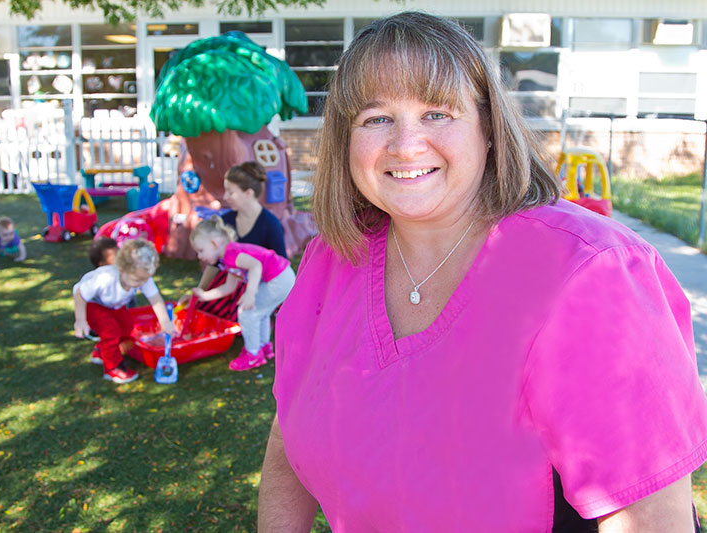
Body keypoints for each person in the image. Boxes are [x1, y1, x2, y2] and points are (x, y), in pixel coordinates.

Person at [258, 12, 707, 532]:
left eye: (437, 113)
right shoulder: (331, 261)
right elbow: (287, 439)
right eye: (376, 118)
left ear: (489, 128)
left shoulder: (589, 272)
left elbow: (651, 520)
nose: (405, 144)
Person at [188, 216, 294, 371]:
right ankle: (264, 347)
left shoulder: (231, 254)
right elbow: (229, 287)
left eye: (201, 250)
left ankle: (253, 355)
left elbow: (256, 266)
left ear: (214, 243)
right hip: (284, 276)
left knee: (246, 313)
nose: (199, 256)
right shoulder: (228, 258)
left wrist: (250, 293)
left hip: (278, 278)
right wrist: (205, 296)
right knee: (261, 312)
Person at [185, 161, 288, 322]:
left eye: (230, 192)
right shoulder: (225, 221)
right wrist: (199, 291)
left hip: (259, 283)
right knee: (206, 313)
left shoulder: (270, 224)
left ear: (248, 193)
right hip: (231, 280)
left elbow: (280, 267)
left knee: (243, 315)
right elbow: (214, 265)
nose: (225, 197)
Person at [73, 238, 174, 384]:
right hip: (92, 303)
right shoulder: (105, 278)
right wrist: (80, 320)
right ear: (122, 268)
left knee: (127, 326)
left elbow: (155, 298)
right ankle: (113, 368)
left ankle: (101, 351)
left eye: (144, 280)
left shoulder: (142, 276)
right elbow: (80, 294)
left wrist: (165, 322)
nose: (141, 284)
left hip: (114, 304)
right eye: (137, 280)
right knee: (110, 331)